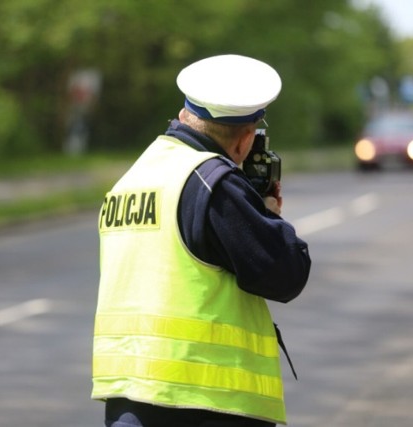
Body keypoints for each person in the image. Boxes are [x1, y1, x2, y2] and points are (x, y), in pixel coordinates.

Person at [92, 54, 311, 427]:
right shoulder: (214, 183)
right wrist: (270, 216)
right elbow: (286, 273)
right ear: (244, 141)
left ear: (184, 114)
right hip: (204, 404)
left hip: (128, 400)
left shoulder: (134, 178)